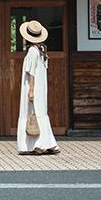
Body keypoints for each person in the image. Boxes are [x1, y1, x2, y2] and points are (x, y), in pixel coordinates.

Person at [17, 19, 59, 155]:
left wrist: (30, 90)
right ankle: (47, 144)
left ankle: (34, 145)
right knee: (40, 114)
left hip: (32, 87)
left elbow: (32, 73)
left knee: (29, 114)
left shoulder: (32, 52)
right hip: (41, 89)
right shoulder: (42, 51)